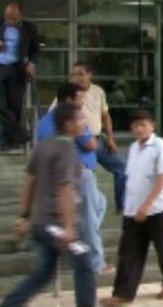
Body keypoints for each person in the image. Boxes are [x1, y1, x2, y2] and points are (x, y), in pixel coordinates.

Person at [0, 104, 96, 307]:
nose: (84, 124)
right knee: (85, 264)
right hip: (56, 225)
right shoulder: (67, 150)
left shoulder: (43, 146)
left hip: (40, 222)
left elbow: (29, 182)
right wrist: (68, 226)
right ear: (69, 124)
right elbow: (65, 188)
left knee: (43, 273)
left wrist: (24, 216)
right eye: (80, 120)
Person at [102, 110, 163, 306]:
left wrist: (147, 204)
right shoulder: (133, 148)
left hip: (157, 209)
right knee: (128, 253)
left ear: (152, 126)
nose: (138, 129)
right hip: (132, 210)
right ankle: (123, 293)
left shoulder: (160, 146)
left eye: (143, 124)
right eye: (135, 125)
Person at [40, 83, 107, 275]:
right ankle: (94, 262)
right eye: (80, 98)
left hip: (68, 174)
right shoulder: (70, 119)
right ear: (69, 100)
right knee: (88, 218)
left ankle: (78, 247)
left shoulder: (46, 120)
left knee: (100, 204)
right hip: (79, 174)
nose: (83, 101)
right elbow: (91, 144)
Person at [51, 62, 127, 214]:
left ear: (89, 74)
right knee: (86, 176)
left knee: (122, 168)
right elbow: (54, 115)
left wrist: (110, 137)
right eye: (74, 74)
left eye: (80, 73)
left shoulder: (98, 91)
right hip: (78, 143)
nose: (76, 77)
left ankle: (122, 205)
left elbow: (105, 116)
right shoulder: (69, 93)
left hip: (97, 139)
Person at [0, 2, 39, 151]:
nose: (10, 21)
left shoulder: (30, 28)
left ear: (20, 16)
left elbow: (35, 50)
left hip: (17, 69)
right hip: (0, 67)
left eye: (13, 18)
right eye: (7, 18)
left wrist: (32, 63)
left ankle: (8, 141)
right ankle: (21, 134)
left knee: (14, 107)